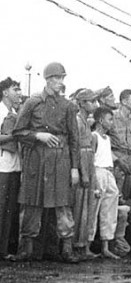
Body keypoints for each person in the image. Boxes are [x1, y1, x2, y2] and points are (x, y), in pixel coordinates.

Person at [12, 62, 80, 263]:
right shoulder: (32, 102)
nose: (61, 82)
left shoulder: (67, 106)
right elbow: (18, 132)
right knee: (32, 203)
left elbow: (74, 139)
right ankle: (26, 250)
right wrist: (37, 135)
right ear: (48, 80)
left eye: (62, 78)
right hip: (37, 160)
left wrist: (75, 168)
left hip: (61, 160)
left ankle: (67, 249)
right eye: (58, 78)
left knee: (63, 205)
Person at [89, 107, 121, 259]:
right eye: (110, 119)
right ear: (100, 121)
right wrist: (94, 181)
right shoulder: (93, 136)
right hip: (98, 172)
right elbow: (91, 160)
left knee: (109, 211)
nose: (112, 122)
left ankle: (106, 247)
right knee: (93, 210)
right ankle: (87, 246)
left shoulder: (107, 139)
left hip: (108, 173)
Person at [72, 89, 100, 260]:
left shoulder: (85, 122)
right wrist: (83, 173)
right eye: (90, 101)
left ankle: (83, 246)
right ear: (82, 103)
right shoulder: (77, 121)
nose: (93, 104)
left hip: (89, 162)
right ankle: (76, 245)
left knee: (87, 206)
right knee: (79, 206)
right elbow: (77, 149)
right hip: (83, 163)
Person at [0, 77, 21, 259]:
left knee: (10, 210)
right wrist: (15, 135)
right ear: (5, 92)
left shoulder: (15, 112)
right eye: (15, 89)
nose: (19, 93)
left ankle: (4, 249)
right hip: (2, 167)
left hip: (14, 166)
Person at [110, 89, 131, 201]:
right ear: (124, 102)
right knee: (114, 193)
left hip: (129, 158)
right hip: (115, 159)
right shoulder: (112, 117)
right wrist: (117, 159)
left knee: (125, 194)